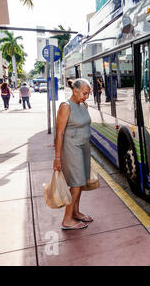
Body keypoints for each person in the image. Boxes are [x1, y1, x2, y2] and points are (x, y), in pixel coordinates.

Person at [53, 78, 93, 230]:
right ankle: (67, 220)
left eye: (88, 93)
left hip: (84, 147)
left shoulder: (83, 105)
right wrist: (57, 158)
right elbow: (60, 133)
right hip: (71, 148)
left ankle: (75, 212)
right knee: (76, 184)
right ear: (75, 90)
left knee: (81, 182)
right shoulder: (66, 106)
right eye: (84, 93)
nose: (86, 96)